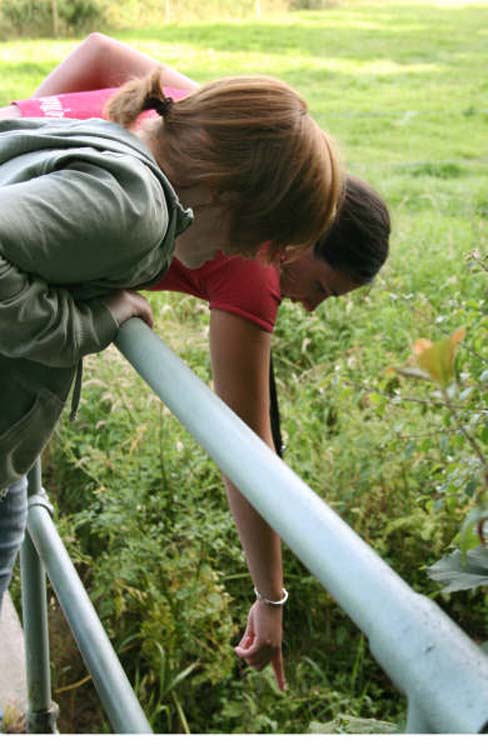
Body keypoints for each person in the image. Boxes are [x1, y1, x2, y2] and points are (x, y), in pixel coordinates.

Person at [0, 34, 389, 691]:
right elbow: (247, 442)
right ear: (266, 222)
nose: (264, 263)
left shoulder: (202, 126)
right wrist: (91, 318)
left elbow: (96, 54)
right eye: (317, 286)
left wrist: (32, 166)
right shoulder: (166, 216)